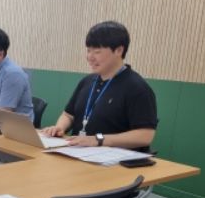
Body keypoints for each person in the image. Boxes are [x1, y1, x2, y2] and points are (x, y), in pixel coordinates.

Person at [42, 21, 157, 151]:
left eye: (97, 51)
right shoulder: (87, 81)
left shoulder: (137, 88)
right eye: (88, 50)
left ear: (119, 50)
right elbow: (68, 115)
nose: (89, 57)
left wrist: (98, 140)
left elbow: (145, 136)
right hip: (77, 152)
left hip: (113, 159)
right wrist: (59, 127)